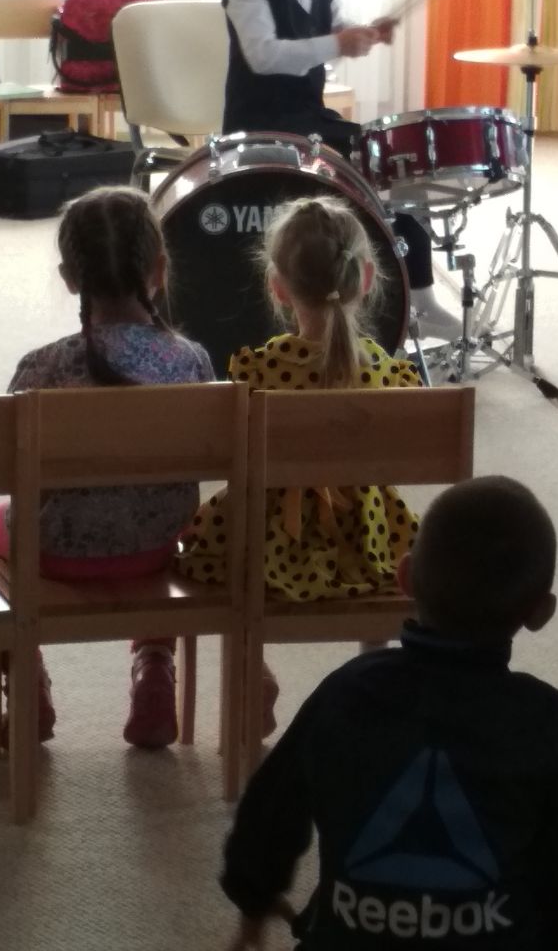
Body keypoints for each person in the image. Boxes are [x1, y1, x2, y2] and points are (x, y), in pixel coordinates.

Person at [220, 476, 558, 951]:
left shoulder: (346, 692)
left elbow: (270, 812)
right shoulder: (551, 724)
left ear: (404, 577)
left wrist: (252, 894)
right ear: (540, 613)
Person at [176, 195, 423, 730]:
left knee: (207, 552)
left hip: (265, 543)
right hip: (364, 540)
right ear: (367, 278)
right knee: (390, 524)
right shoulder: (388, 374)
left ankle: (252, 668)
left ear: (277, 287)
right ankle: (371, 666)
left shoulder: (258, 370)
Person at [0, 185, 215, 750]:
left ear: (70, 277)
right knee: (164, 510)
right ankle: (155, 659)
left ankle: (23, 671)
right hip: (160, 547)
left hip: (53, 554)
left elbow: (9, 473)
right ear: (159, 269)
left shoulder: (41, 369)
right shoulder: (191, 363)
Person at [222, 0, 461, 342]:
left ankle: (421, 298)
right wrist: (338, 43)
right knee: (371, 166)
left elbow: (333, 27)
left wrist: (361, 33)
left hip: (308, 117)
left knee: (395, 162)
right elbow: (264, 56)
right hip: (262, 124)